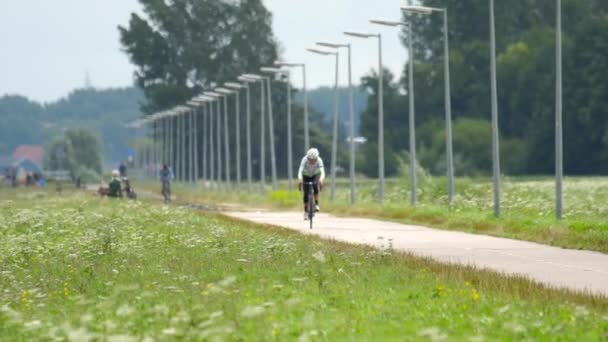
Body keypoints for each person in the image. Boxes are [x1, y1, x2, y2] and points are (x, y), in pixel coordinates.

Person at [297, 148, 325, 220]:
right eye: (310, 159)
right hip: (306, 175)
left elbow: (322, 171)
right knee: (306, 194)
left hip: (315, 174)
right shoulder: (304, 159)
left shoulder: (319, 160)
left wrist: (321, 180)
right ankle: (306, 211)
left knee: (315, 186)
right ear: (307, 157)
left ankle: (316, 204)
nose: (312, 161)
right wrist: (300, 179)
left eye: (314, 159)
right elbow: (300, 170)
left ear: (317, 158)